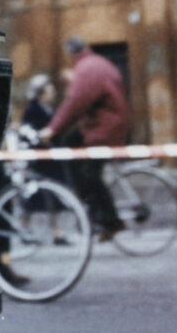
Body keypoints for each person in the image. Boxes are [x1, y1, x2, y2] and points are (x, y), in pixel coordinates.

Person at [39, 38, 129, 240]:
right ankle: (88, 202)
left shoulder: (87, 68)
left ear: (71, 53)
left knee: (90, 173)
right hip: (101, 125)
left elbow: (75, 102)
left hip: (104, 129)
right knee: (70, 143)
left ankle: (109, 219)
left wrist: (52, 129)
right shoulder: (93, 63)